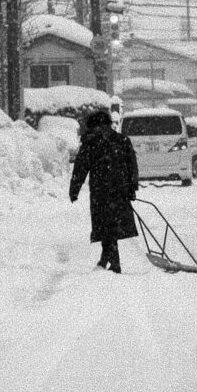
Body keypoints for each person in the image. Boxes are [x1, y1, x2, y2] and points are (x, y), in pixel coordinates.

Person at [69, 105, 140, 274]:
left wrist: (74, 189)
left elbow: (80, 168)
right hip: (120, 191)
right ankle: (106, 260)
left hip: (100, 192)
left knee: (106, 228)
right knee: (112, 227)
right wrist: (132, 187)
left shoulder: (91, 142)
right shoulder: (122, 140)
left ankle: (114, 263)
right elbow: (132, 165)